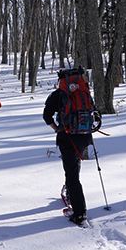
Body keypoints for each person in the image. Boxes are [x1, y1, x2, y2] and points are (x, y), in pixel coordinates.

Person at [43, 68, 94, 225]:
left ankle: (79, 213)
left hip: (67, 137)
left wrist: (57, 128)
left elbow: (46, 115)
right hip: (85, 136)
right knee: (74, 165)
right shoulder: (84, 91)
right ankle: (71, 195)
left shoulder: (58, 94)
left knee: (72, 174)